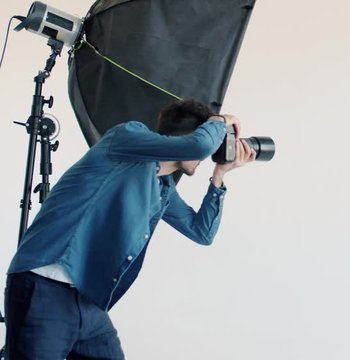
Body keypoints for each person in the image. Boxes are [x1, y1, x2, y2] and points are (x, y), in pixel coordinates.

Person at [3, 99, 256, 359]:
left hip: (88, 301)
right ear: (186, 137)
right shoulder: (125, 139)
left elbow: (202, 233)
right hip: (44, 287)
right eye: (211, 140)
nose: (209, 152)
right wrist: (220, 121)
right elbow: (200, 145)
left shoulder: (163, 188)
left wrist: (220, 174)